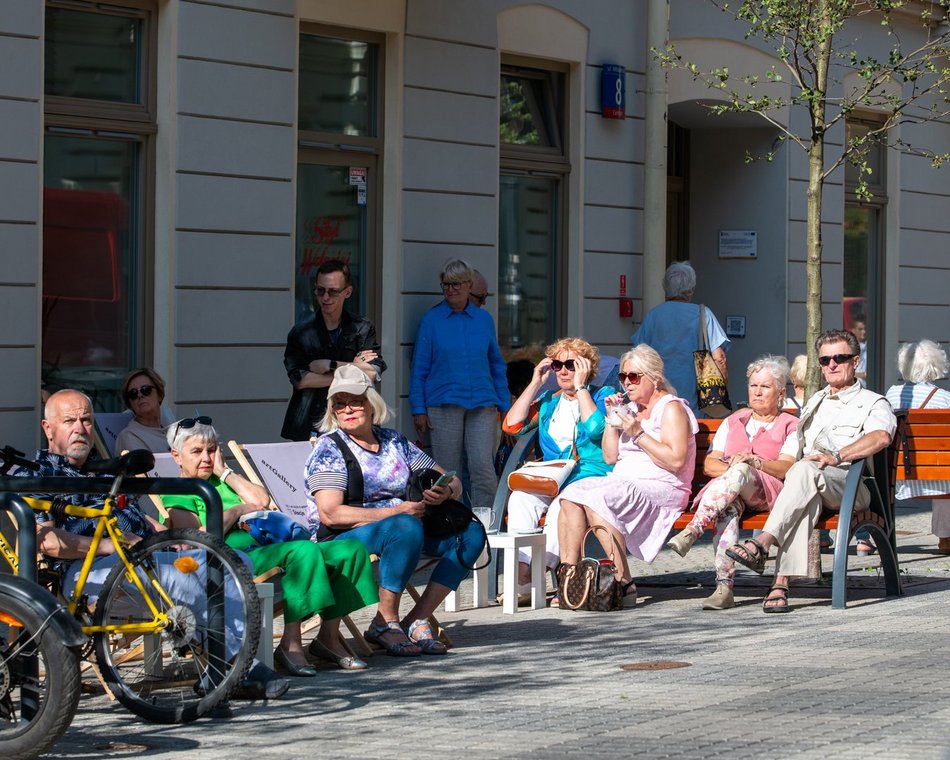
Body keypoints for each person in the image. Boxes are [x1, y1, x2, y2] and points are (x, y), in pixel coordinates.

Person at [20, 390, 289, 699]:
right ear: (47, 428)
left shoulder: (102, 468)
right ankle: (234, 667)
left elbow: (139, 519)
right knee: (197, 575)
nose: (80, 428)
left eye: (86, 420)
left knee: (236, 559)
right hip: (88, 574)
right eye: (69, 421)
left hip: (142, 559)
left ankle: (224, 666)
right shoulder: (38, 474)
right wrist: (113, 544)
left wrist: (170, 539)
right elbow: (47, 541)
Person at [162, 417, 379, 675]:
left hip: (272, 546)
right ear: (176, 456)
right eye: (197, 452)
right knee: (304, 551)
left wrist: (224, 472)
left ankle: (328, 638)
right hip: (236, 558)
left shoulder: (223, 480)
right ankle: (291, 644)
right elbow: (202, 536)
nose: (206, 458)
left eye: (211, 450)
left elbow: (262, 500)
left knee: (350, 550)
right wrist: (240, 509)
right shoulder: (178, 491)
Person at [307, 365, 483, 656]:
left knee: (471, 533)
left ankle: (417, 618)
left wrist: (444, 492)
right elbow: (330, 513)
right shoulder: (330, 449)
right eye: (339, 404)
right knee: (405, 526)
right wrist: (397, 512)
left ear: (371, 403)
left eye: (355, 401)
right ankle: (385, 622)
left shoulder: (393, 441)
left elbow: (453, 480)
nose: (347, 409)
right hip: (342, 537)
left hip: (402, 531)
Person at [726, 329, 897, 612]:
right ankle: (779, 584)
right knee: (806, 492)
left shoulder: (873, 402)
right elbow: (796, 447)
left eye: (839, 358)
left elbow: (881, 437)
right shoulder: (814, 401)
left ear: (855, 362)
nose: (831, 365)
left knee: (805, 473)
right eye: (825, 360)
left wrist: (837, 456)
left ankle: (763, 542)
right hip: (810, 483)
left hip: (852, 485)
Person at [557, 345, 698, 604]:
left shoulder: (671, 408)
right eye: (623, 377)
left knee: (599, 497)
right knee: (571, 494)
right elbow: (610, 457)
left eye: (633, 377)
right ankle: (570, 577)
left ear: (654, 377)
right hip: (624, 480)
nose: (626, 383)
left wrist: (637, 433)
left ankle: (623, 580)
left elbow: (676, 461)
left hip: (663, 487)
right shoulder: (631, 408)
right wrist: (613, 420)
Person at [666, 356, 799, 609]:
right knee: (727, 509)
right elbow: (709, 465)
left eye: (765, 387)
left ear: (780, 392)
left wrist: (754, 463)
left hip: (767, 493)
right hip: (728, 495)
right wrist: (734, 471)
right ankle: (723, 588)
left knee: (740, 471)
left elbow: (786, 467)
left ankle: (694, 530)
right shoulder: (733, 421)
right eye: (753, 386)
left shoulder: (790, 424)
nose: (757, 392)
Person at [502, 337, 615, 604]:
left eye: (571, 364)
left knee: (561, 508)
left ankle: (541, 576)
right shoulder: (548, 402)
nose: (563, 371)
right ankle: (522, 578)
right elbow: (511, 426)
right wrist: (535, 383)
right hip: (552, 479)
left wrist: (582, 388)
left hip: (587, 476)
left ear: (587, 367)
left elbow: (596, 430)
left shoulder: (603, 396)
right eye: (557, 365)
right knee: (520, 499)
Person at [410, 258, 509, 511]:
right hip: (443, 402)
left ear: (468, 285)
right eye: (446, 285)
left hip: (483, 402)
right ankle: (452, 525)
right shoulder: (432, 320)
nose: (451, 290)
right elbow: (419, 368)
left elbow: (496, 364)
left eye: (456, 285)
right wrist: (418, 409)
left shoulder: (483, 319)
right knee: (446, 470)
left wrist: (505, 404)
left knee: (483, 467)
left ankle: (486, 528)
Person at [281, 258, 386, 441]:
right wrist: (352, 369)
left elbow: (372, 373)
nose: (325, 297)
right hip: (309, 421)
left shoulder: (362, 328)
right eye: (320, 291)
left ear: (348, 292)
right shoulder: (301, 332)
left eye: (333, 291)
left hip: (353, 420)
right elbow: (301, 380)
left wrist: (330, 364)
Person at [633, 261, 730, 415]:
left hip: (658, 397)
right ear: (691, 289)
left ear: (665, 287)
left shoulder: (653, 316)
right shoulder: (703, 314)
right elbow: (719, 358)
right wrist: (721, 389)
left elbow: (638, 356)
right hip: (695, 400)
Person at [885, 339, 950, 553]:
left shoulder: (893, 395)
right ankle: (945, 538)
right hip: (938, 477)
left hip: (897, 474)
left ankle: (877, 537)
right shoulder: (945, 399)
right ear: (936, 365)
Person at [115, 367, 170, 453]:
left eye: (146, 390)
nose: (140, 395)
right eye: (133, 393)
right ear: (130, 403)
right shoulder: (130, 436)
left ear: (159, 394)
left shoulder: (171, 432)